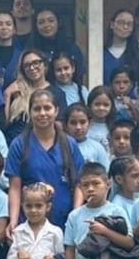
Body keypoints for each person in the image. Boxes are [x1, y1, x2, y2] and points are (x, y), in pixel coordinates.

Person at [6, 90, 84, 231]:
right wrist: (13, 221)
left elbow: (79, 183)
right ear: (30, 112)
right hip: (30, 222)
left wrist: (76, 216)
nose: (42, 113)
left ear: (56, 111)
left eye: (47, 108)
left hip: (65, 222)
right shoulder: (19, 144)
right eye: (37, 109)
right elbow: (15, 188)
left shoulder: (69, 144)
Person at [3, 49, 65, 139]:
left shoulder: (57, 93)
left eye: (36, 63)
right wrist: (7, 95)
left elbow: (60, 125)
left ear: (45, 65)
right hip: (14, 141)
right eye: (27, 65)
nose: (32, 68)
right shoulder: (16, 89)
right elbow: (4, 123)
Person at [103, 8, 139, 87]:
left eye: (129, 24)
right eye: (121, 23)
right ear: (112, 25)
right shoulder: (100, 54)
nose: (125, 27)